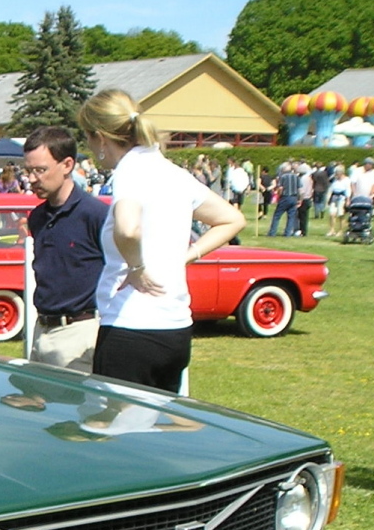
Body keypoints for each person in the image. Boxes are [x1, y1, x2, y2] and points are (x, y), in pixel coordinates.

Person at [77, 89, 245, 394]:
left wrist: (137, 266)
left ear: (101, 138)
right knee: (158, 434)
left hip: (131, 329)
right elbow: (231, 219)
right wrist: (187, 255)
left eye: (87, 137)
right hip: (175, 329)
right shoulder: (171, 171)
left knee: (117, 438)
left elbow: (128, 228)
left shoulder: (131, 169)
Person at [22, 125, 109, 373]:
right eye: (28, 171)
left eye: (40, 170)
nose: (31, 179)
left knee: (75, 411)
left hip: (79, 334)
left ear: (67, 165)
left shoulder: (96, 215)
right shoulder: (37, 217)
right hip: (41, 330)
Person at [268, 162, 301, 236]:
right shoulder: (296, 177)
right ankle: (288, 233)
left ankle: (272, 232)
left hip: (285, 197)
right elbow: (299, 189)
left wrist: (278, 196)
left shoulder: (283, 177)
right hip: (294, 197)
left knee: (277, 216)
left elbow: (280, 188)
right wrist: (300, 199)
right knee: (291, 217)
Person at [326, 165, 351, 238]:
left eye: (337, 173)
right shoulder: (334, 180)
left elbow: (348, 190)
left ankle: (340, 230)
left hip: (342, 198)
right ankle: (332, 230)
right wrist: (328, 199)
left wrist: (348, 200)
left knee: (341, 215)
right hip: (334, 198)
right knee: (332, 214)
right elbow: (331, 189)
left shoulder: (347, 180)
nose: (336, 175)